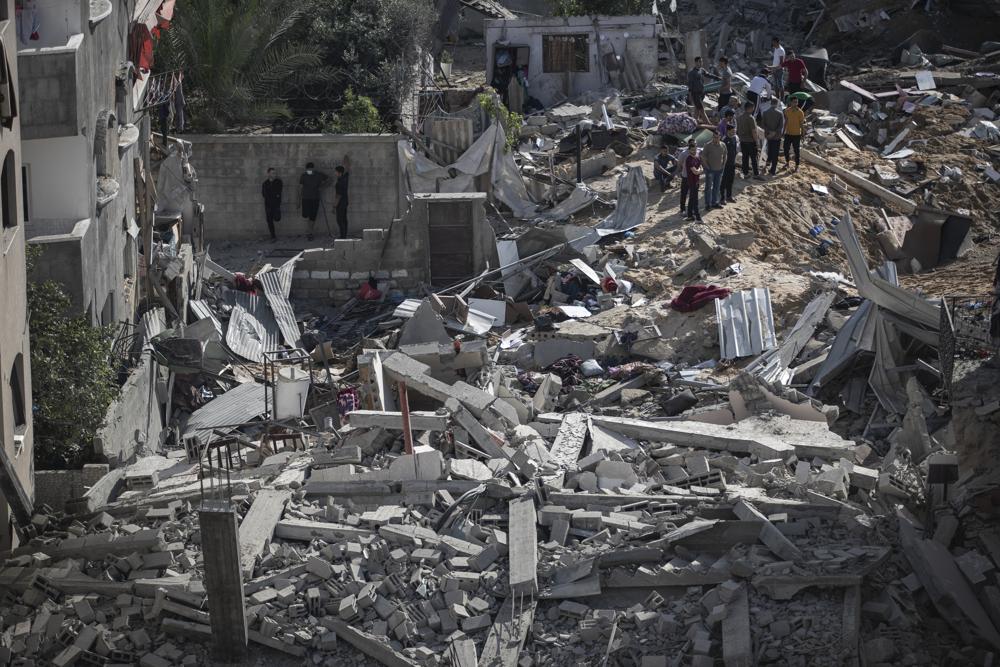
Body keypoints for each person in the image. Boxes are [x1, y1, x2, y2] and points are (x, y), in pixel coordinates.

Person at [298, 162, 329, 241]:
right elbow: (300, 187)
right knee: (305, 215)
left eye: (311, 169)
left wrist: (322, 186)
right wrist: (298, 200)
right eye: (308, 169)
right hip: (305, 198)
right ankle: (309, 230)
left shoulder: (318, 174)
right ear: (306, 169)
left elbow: (329, 179)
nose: (309, 171)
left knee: (312, 216)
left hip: (315, 198)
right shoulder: (304, 175)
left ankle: (310, 232)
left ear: (313, 168)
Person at [736, 101, 762, 179]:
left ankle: (745, 173)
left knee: (745, 158)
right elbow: (753, 131)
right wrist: (757, 142)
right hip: (750, 141)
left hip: (742, 140)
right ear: (751, 108)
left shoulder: (740, 117)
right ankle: (756, 174)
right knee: (754, 158)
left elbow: (738, 130)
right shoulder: (751, 118)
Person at [759, 99, 785, 176]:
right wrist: (774, 132)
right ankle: (773, 170)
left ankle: (767, 164)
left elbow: (762, 125)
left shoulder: (765, 113)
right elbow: (781, 126)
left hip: (768, 135)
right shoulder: (780, 113)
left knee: (769, 150)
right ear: (777, 104)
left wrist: (769, 132)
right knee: (775, 153)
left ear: (770, 103)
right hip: (776, 136)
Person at [701, 130, 726, 210]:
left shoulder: (723, 145)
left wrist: (723, 165)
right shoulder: (707, 145)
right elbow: (703, 157)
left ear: (720, 137)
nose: (716, 139)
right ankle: (707, 204)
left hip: (719, 170)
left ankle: (714, 202)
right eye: (714, 137)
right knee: (708, 187)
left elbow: (725, 155)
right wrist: (707, 167)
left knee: (717, 187)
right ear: (712, 137)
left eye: (717, 137)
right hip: (710, 170)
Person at [782, 95, 806, 170]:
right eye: (794, 102)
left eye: (797, 102)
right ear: (791, 103)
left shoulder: (800, 112)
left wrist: (803, 133)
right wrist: (783, 131)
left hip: (796, 134)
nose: (796, 104)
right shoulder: (787, 111)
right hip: (788, 133)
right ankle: (787, 162)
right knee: (785, 148)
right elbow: (786, 121)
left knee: (796, 150)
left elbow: (801, 124)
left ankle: (797, 165)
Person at [676, 139, 699, 216]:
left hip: (694, 177)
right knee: (684, 193)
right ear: (688, 145)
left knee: (693, 194)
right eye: (692, 144)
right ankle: (682, 209)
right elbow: (679, 163)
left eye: (695, 144)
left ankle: (691, 210)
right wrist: (680, 172)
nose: (694, 145)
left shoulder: (697, 152)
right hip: (686, 176)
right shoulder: (683, 154)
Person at [261, 168, 282, 240]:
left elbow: (278, 191)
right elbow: (264, 194)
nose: (274, 174)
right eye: (273, 173)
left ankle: (275, 216)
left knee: (277, 218)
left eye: (275, 173)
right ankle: (273, 236)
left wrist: (273, 194)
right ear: (268, 174)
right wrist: (273, 194)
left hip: (276, 204)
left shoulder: (279, 182)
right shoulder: (265, 183)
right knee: (269, 221)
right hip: (268, 205)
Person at [687, 57, 709, 125]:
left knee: (697, 109)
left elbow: (708, 75)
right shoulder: (692, 73)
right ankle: (708, 123)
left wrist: (717, 78)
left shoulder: (702, 70)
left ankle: (694, 121)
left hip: (701, 93)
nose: (701, 63)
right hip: (695, 93)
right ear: (696, 62)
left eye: (701, 62)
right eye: (699, 62)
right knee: (701, 109)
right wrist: (690, 95)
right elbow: (690, 84)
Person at [684, 146, 704, 222]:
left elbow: (701, 168)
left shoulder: (697, 158)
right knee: (695, 200)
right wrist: (699, 170)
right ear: (689, 150)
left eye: (695, 150)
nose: (694, 151)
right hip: (691, 182)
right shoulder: (689, 159)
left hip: (696, 181)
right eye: (692, 150)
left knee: (692, 198)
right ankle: (698, 218)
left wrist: (698, 170)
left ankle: (690, 215)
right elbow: (696, 171)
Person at [721, 125, 739, 204]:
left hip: (732, 163)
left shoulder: (734, 138)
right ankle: (722, 198)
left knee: (731, 180)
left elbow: (735, 150)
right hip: (725, 164)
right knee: (723, 181)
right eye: (732, 131)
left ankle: (729, 196)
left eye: (734, 131)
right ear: (728, 131)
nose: (734, 133)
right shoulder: (724, 140)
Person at [334, 158, 350, 238]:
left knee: (340, 220)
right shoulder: (345, 178)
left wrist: (334, 206)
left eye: (336, 172)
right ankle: (344, 235)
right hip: (345, 202)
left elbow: (338, 196)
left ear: (339, 173)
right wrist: (346, 161)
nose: (335, 173)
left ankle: (342, 236)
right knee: (344, 220)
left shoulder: (339, 183)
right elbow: (347, 169)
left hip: (340, 204)